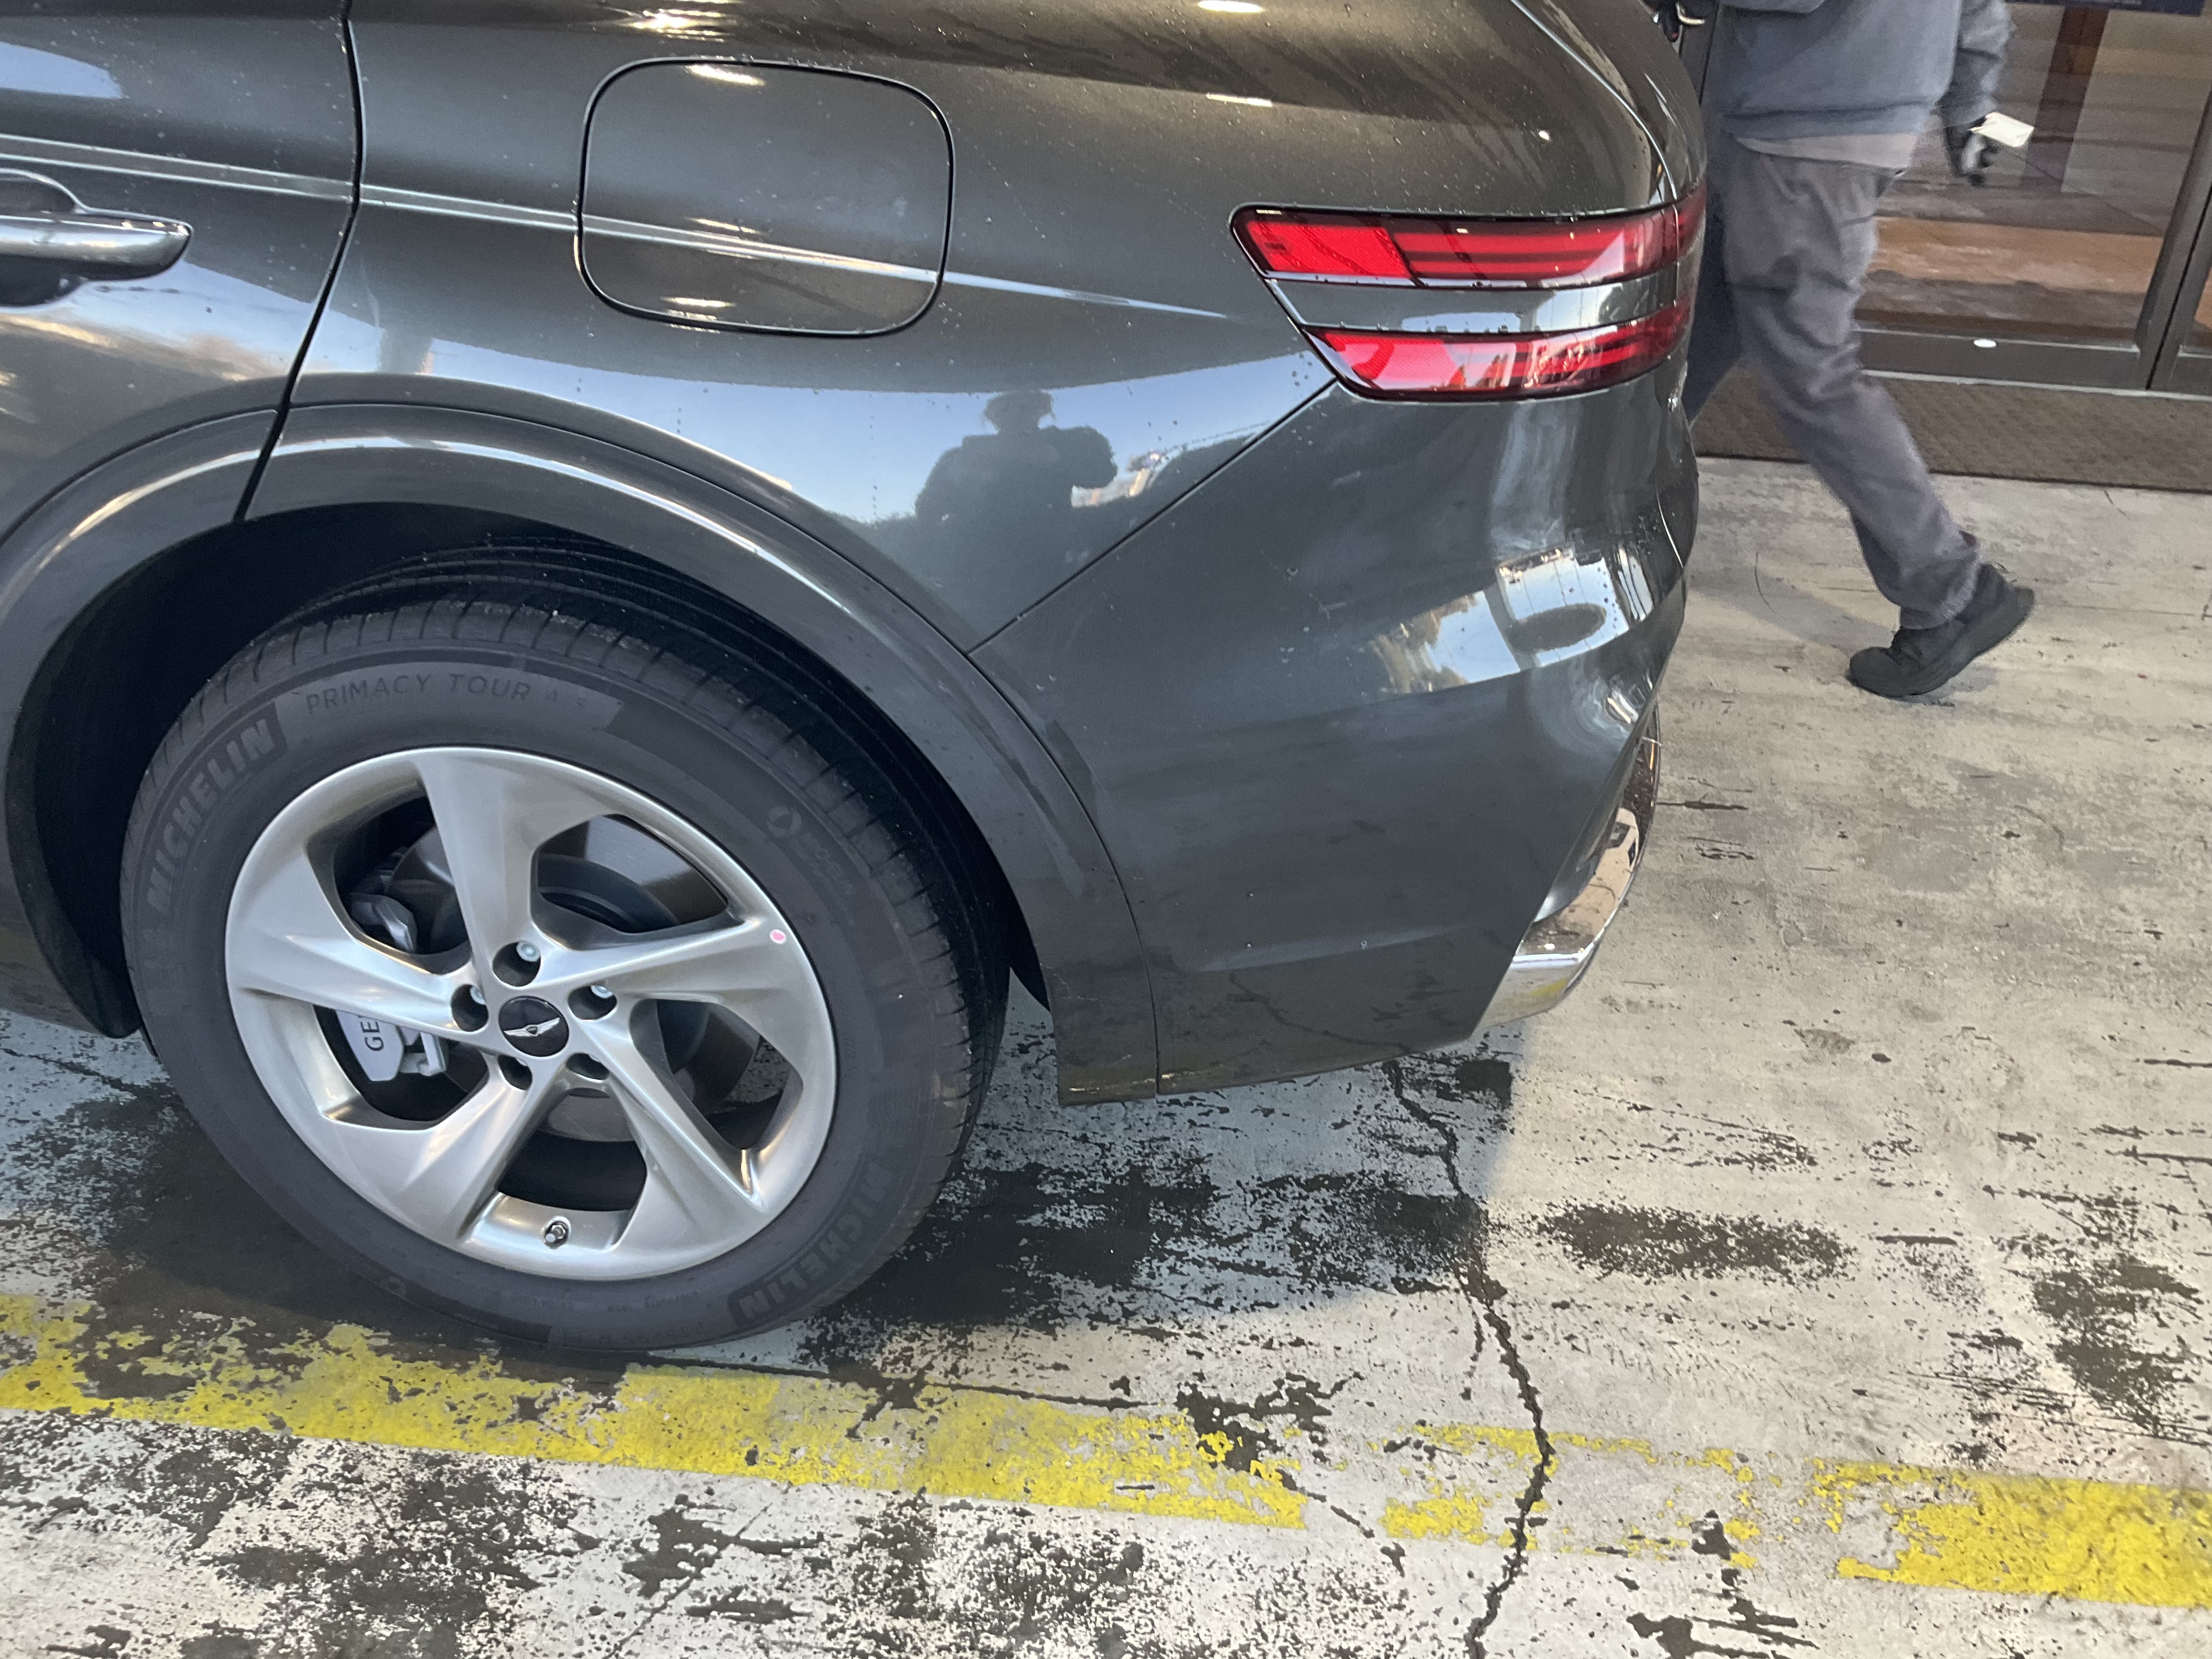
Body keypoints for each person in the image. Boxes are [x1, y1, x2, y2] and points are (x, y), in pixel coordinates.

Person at [1684, 0, 2034, 699]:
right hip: (1830, 121)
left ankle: (1951, 590)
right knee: (1698, 328)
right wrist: (1972, 104)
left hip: (1805, 130)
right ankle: (1598, 496)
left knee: (1813, 373)